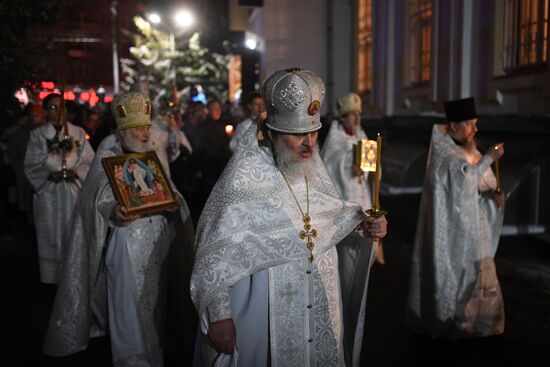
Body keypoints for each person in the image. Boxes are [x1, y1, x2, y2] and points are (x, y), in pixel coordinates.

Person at [191, 68, 387, 366]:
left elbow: (334, 218)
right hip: (261, 316)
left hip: (318, 304)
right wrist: (219, 316)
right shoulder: (242, 180)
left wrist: (365, 226)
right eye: (298, 136)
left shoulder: (314, 170)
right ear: (272, 133)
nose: (309, 143)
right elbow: (213, 254)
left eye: (313, 132)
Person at [43, 92, 196, 367]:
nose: (145, 132)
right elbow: (97, 196)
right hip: (126, 242)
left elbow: (166, 188)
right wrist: (114, 211)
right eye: (139, 128)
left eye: (147, 127)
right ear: (123, 129)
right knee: (129, 304)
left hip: (157, 239)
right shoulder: (109, 151)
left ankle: (158, 352)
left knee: (157, 304)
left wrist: (173, 202)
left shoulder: (149, 154)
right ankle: (133, 359)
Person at [406, 97, 506, 339]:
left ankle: (480, 324)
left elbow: (480, 183)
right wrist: (489, 158)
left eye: (475, 123)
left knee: (478, 274)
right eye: (470, 124)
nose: (475, 129)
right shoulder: (444, 153)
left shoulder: (469, 149)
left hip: (474, 227)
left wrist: (493, 194)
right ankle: (452, 322)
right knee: (457, 276)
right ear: (453, 126)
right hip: (451, 233)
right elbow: (463, 184)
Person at [24, 93, 95, 284]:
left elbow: (89, 160)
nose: (58, 112)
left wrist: (77, 172)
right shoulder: (37, 135)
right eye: (53, 108)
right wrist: (48, 173)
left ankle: (76, 275)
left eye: (61, 107)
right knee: (52, 233)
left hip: (73, 192)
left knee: (74, 231)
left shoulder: (78, 133)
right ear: (46, 111)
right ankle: (53, 278)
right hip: (50, 193)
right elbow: (30, 164)